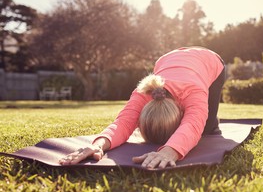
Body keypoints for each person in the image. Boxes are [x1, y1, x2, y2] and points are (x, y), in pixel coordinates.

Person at [59, 47, 226, 169]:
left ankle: (212, 123)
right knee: (199, 116)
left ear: (181, 113)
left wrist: (170, 151)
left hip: (210, 60)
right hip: (168, 59)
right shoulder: (144, 93)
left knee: (206, 127)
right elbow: (123, 122)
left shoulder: (193, 92)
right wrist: (98, 144)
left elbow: (192, 125)